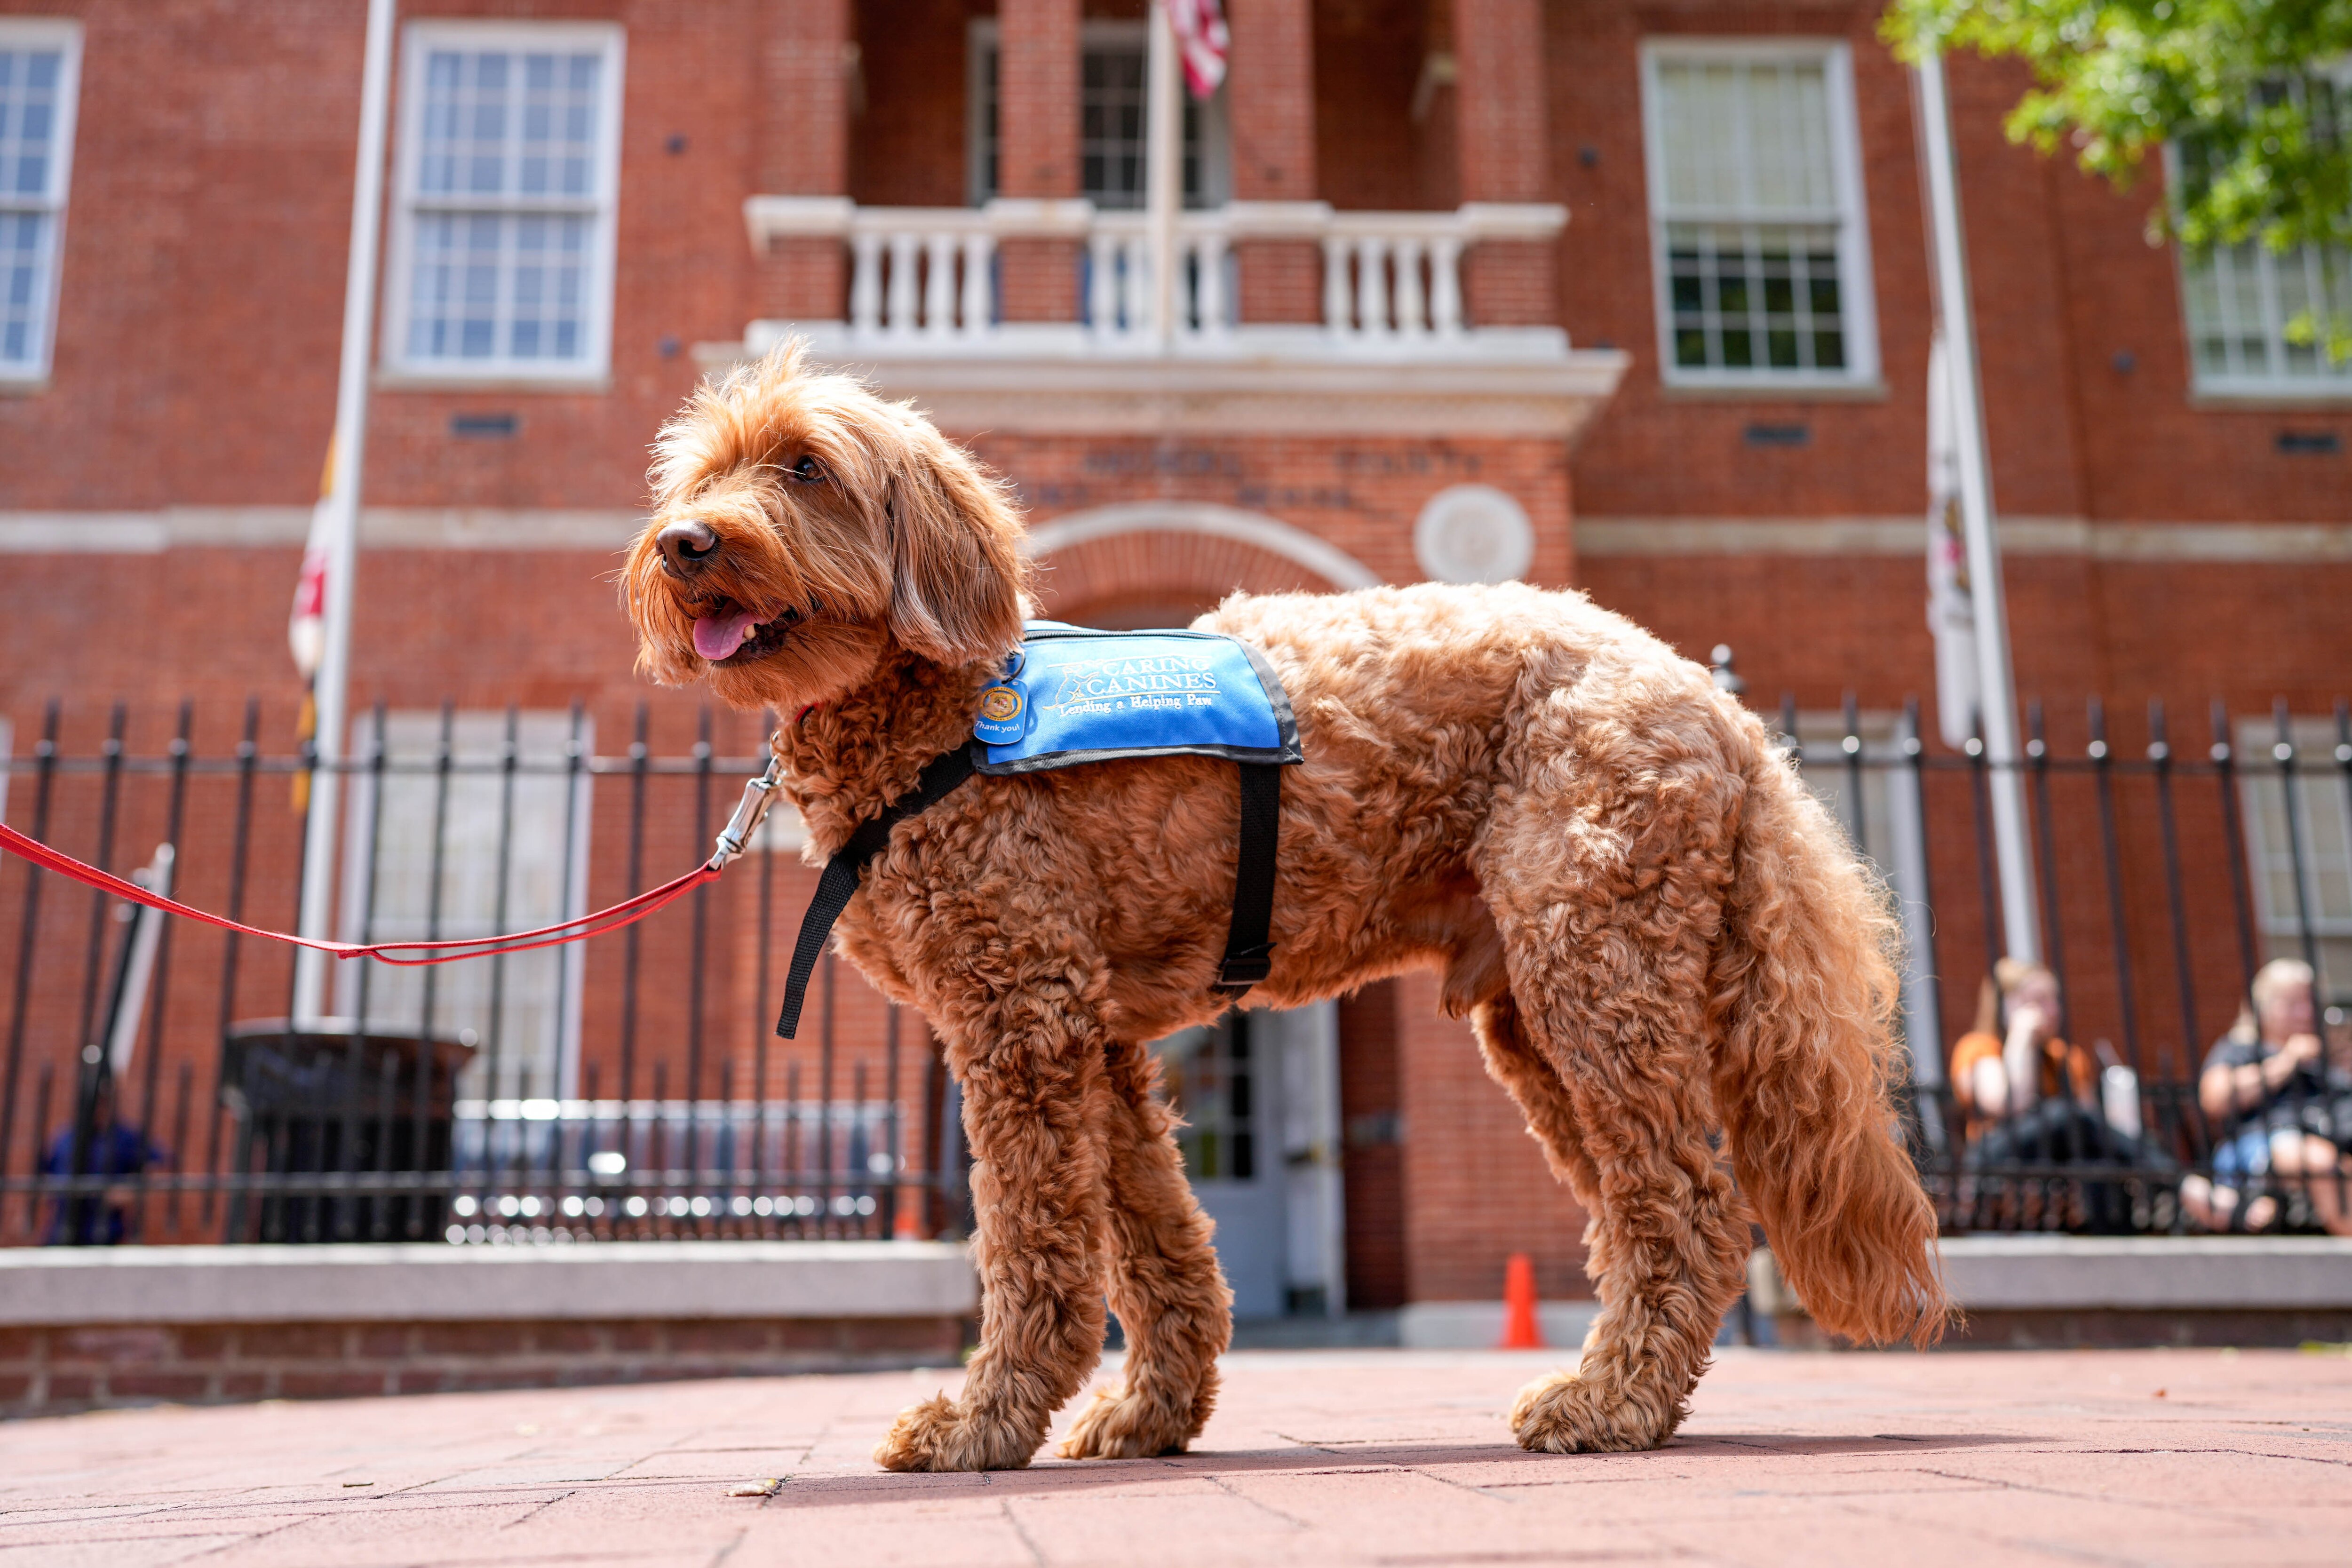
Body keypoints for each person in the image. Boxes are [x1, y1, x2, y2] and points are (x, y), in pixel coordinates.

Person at [1952, 958, 2270, 1233]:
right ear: (2006, 1004)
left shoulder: (2065, 1057)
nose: (2052, 1010)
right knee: (2069, 1113)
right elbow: (2006, 1102)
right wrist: (2020, 1037)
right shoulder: (1980, 1047)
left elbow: (2093, 1131)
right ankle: (2188, 1187)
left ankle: (2119, 1246)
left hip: (2058, 1163)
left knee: (2100, 1160)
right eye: (2038, 1000)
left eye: (2054, 999)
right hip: (1998, 1157)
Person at [2201, 958, 2352, 1236]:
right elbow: (2215, 1098)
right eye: (2294, 1003)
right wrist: (2288, 1060)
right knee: (2319, 1161)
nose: (2306, 1012)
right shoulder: (2239, 1048)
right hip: (2261, 1144)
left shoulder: (2327, 1054)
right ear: (2264, 1006)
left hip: (2330, 1136)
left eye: (2310, 1002)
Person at [40, 1078, 166, 1246]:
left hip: (104, 1232)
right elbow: (45, 1174)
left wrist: (127, 1192)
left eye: (102, 1101)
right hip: (61, 1230)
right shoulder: (66, 1137)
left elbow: (160, 1168)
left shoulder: (124, 1137)